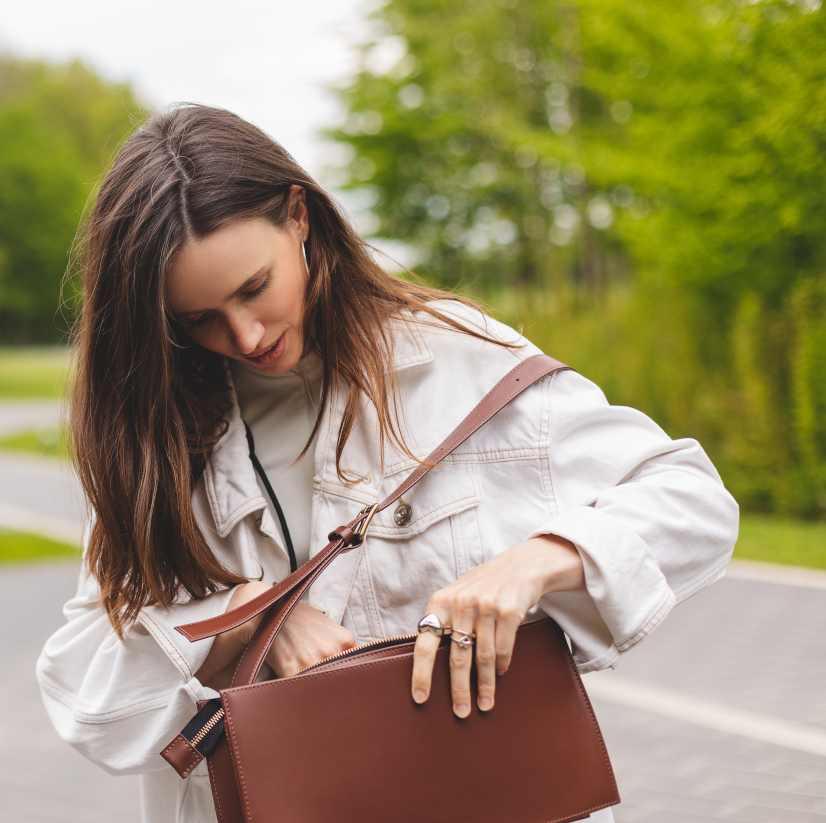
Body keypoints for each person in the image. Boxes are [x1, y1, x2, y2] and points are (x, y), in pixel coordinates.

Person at [37, 104, 738, 823]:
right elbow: (85, 696)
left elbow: (695, 502)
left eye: (254, 288)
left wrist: (538, 559)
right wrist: (247, 620)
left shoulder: (458, 361)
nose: (243, 335)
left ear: (299, 217)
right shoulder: (158, 443)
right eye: (197, 317)